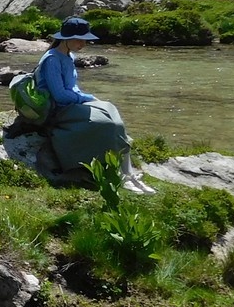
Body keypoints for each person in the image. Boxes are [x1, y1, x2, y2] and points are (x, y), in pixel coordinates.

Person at [35, 17, 154, 194]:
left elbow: (72, 87)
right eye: (79, 40)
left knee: (111, 111)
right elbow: (59, 95)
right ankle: (123, 175)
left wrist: (86, 98)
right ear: (66, 38)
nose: (83, 44)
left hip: (70, 104)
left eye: (85, 40)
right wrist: (87, 98)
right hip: (58, 110)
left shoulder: (68, 55)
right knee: (107, 124)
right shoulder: (52, 60)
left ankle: (128, 173)